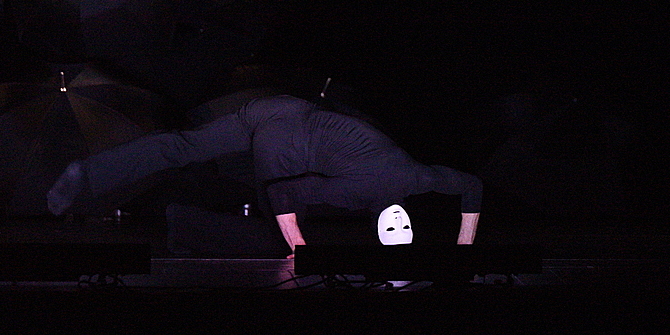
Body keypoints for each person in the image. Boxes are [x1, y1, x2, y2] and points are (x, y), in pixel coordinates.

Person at [48, 95, 481, 256]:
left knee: (182, 145)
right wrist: (301, 252)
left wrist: (466, 247)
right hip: (285, 140)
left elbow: (471, 187)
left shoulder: (419, 178)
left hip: (275, 109)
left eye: (393, 231)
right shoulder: (358, 193)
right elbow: (284, 195)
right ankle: (183, 223)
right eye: (403, 228)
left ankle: (88, 171)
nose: (398, 223)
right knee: (280, 238)